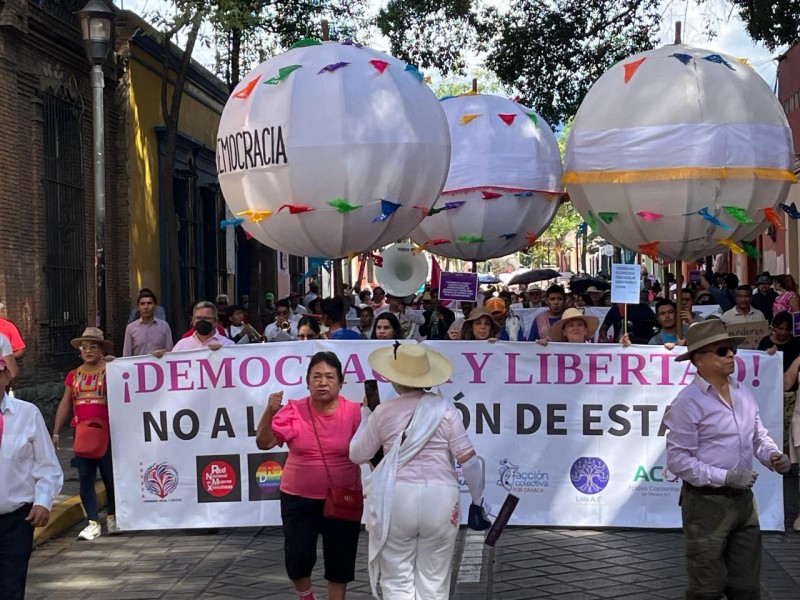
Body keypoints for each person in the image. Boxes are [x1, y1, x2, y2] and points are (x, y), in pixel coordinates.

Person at [350, 343, 491, 599]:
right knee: (434, 581)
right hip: (441, 499)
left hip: (396, 498)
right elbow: (468, 460)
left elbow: (357, 454)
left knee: (396, 578)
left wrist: (365, 416)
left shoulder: (382, 413)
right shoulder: (446, 409)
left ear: (393, 377)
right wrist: (478, 501)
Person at [665, 319, 790, 599]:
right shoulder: (688, 402)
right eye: (722, 351)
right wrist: (725, 477)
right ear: (699, 359)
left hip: (744, 501)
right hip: (705, 503)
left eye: (731, 349)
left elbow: (758, 436)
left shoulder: (742, 392)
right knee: (707, 589)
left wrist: (772, 455)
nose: (731, 355)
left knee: (746, 587)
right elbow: (677, 460)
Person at [255, 352, 362, 600]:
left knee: (340, 558)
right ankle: (306, 595)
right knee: (298, 555)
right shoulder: (293, 410)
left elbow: (371, 449)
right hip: (298, 498)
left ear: (340, 382)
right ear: (307, 381)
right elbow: (264, 442)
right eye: (316, 376)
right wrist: (270, 412)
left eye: (329, 377)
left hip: (343, 498)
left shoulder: (355, 412)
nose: (322, 382)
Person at [0, 359, 63, 600]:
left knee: (11, 587)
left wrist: (43, 501)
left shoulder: (27, 413)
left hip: (15, 519)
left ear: (6, 377)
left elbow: (47, 465)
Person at [52, 328, 117, 540]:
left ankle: (113, 516)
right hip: (83, 434)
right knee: (86, 480)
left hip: (108, 434)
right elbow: (65, 404)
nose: (88, 350)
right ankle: (92, 521)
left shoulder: (112, 370)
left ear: (102, 349)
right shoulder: (74, 375)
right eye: (84, 347)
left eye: (93, 346)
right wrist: (56, 432)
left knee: (110, 478)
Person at [122, 290, 174, 356]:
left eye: (149, 303)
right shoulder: (130, 328)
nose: (146, 307)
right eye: (142, 304)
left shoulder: (164, 326)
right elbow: (127, 355)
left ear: (155, 306)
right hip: (137, 366)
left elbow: (170, 353)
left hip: (159, 365)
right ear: (138, 307)